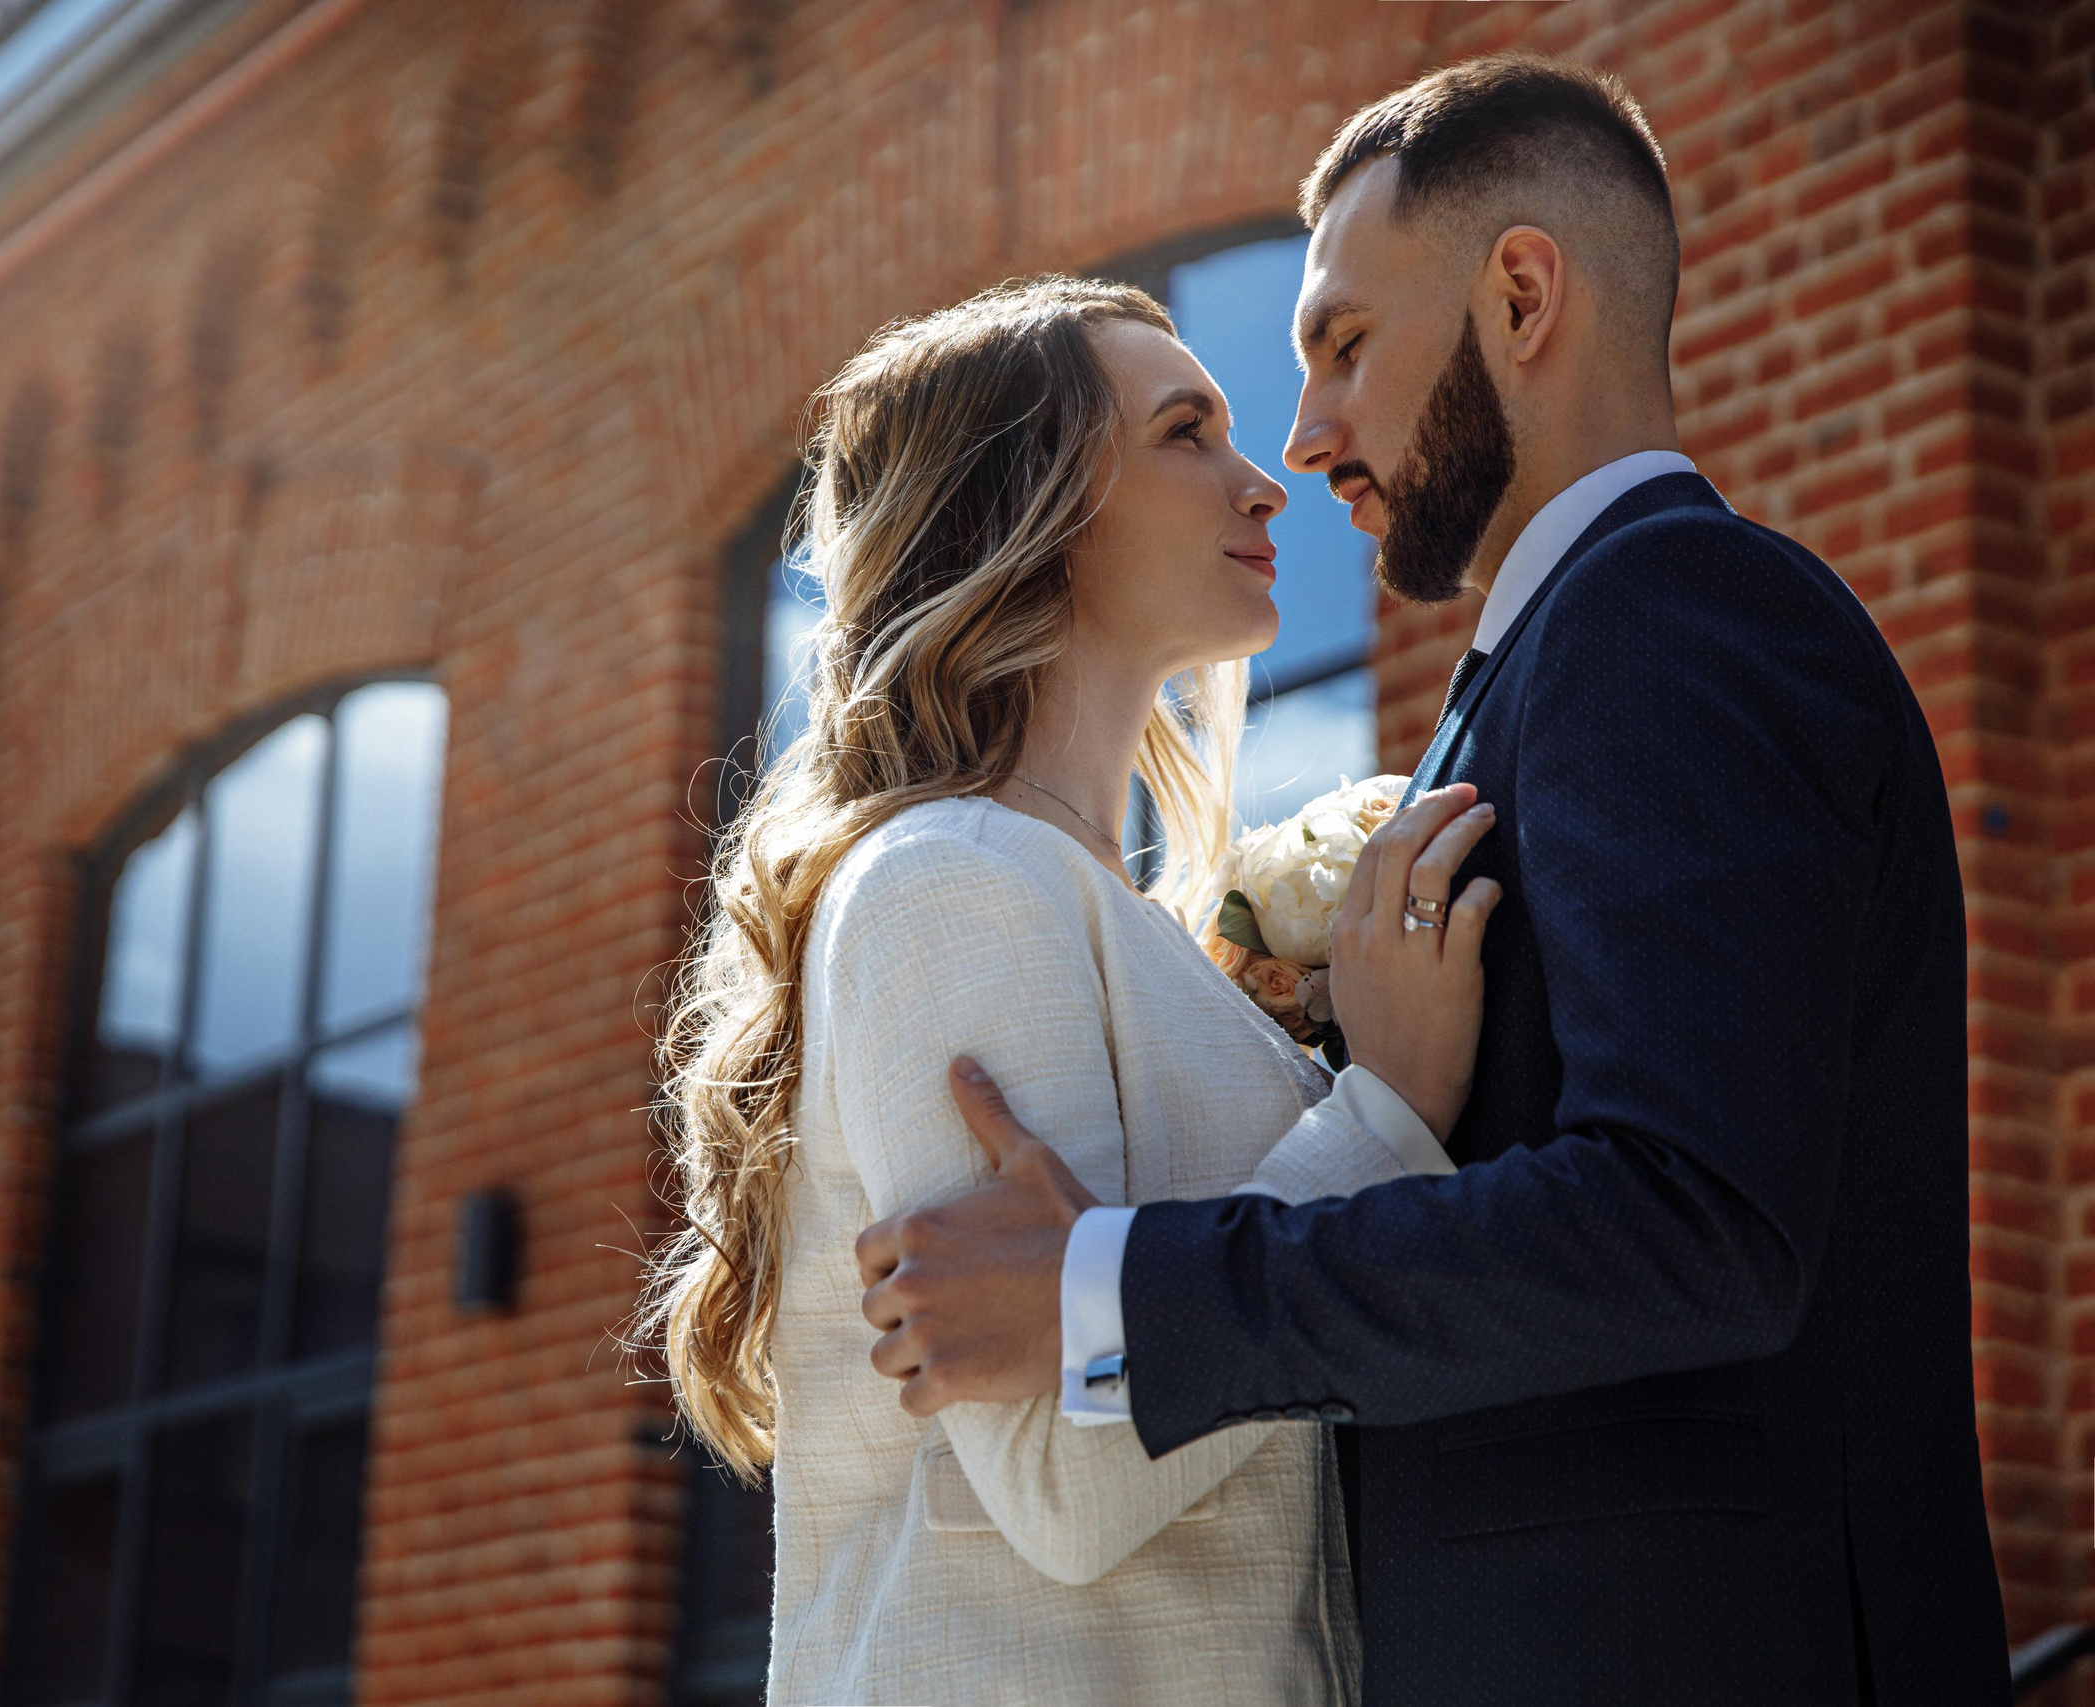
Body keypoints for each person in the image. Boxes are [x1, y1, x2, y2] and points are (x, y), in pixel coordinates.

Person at [853, 53, 2010, 1706]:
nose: (1306, 429)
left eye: (1340, 345)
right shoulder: (1564, 653)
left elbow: (1690, 1221)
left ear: (1522, 296)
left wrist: (1115, 1287)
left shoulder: (1669, 614)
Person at [640, 273, 1504, 1704]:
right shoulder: (948, 884)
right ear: (1023, 512)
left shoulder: (1103, 913)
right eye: (1185, 432)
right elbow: (1062, 1482)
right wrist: (1388, 1116)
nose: (1263, 483)